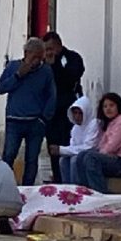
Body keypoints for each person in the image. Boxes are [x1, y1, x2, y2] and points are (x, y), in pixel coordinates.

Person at [0, 37, 56, 185]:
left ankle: (28, 189)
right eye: (33, 56)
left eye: (39, 57)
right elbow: (1, 88)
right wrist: (18, 76)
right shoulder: (12, 66)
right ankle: (5, 186)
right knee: (9, 155)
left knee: (32, 159)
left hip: (35, 122)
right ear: (26, 53)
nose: (36, 60)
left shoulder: (46, 71)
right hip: (14, 120)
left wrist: (44, 118)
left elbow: (51, 95)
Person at [74, 93, 121, 193]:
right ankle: (86, 192)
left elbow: (111, 147)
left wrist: (97, 154)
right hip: (117, 160)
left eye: (111, 105)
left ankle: (100, 194)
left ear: (118, 106)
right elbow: (102, 145)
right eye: (105, 106)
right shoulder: (112, 123)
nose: (108, 109)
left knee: (91, 158)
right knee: (81, 156)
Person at [43, 32, 85, 183]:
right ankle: (57, 177)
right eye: (46, 49)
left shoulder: (73, 58)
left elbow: (69, 79)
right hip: (50, 111)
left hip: (68, 109)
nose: (48, 52)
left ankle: (70, 180)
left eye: (51, 48)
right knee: (53, 146)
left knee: (68, 144)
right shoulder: (44, 62)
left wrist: (54, 65)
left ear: (59, 45)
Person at [48, 96, 101, 184]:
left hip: (92, 156)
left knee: (74, 161)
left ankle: (76, 188)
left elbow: (88, 147)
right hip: (81, 155)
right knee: (63, 161)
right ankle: (67, 188)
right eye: (75, 113)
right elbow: (73, 147)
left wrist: (61, 149)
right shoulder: (75, 128)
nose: (77, 116)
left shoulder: (94, 124)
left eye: (80, 113)